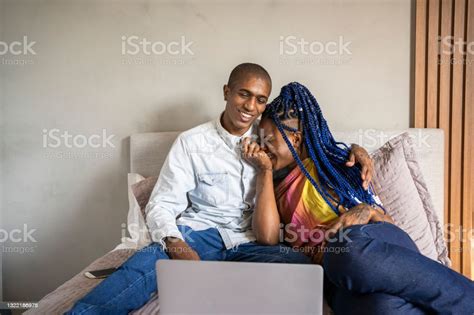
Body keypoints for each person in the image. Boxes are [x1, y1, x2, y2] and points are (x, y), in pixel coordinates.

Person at [66, 64, 372, 314]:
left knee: (299, 268)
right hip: (200, 235)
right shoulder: (192, 142)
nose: (250, 106)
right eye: (243, 94)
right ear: (227, 92)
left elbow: (316, 149)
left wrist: (356, 151)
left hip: (251, 242)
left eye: (260, 99)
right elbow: (162, 204)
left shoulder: (271, 137)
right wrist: (177, 245)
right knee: (144, 265)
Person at [241, 82, 474, 314]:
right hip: (335, 280)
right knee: (381, 308)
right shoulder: (273, 184)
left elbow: (387, 222)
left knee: (345, 250)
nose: (263, 147)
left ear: (296, 139)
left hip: (372, 244)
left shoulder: (338, 162)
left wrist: (367, 210)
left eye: (269, 139)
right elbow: (268, 237)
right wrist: (264, 170)